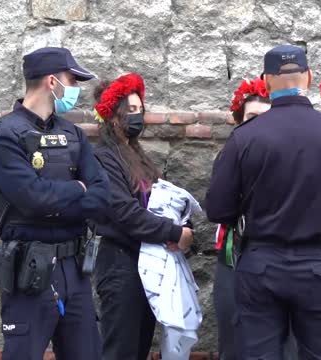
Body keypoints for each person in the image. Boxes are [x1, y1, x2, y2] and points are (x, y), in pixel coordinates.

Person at [206, 44, 321, 360]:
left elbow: (217, 209)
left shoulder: (245, 137)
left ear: (266, 83)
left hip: (261, 265)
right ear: (308, 78)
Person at [0, 47, 109, 360]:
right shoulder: (3, 135)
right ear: (52, 82)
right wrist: (78, 188)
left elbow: (102, 195)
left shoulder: (73, 135)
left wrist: (61, 196)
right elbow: (32, 199)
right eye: (72, 80)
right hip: (30, 271)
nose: (76, 88)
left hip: (75, 271)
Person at [90, 73, 194, 360]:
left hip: (146, 266)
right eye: (130, 111)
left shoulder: (136, 155)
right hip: (120, 267)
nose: (137, 116)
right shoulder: (103, 158)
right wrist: (173, 234)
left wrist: (184, 224)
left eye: (140, 110)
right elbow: (125, 212)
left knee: (139, 348)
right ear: (113, 118)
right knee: (121, 350)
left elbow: (161, 201)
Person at [213, 77, 297, 360]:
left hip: (274, 259)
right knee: (233, 341)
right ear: (239, 120)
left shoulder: (288, 158)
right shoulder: (226, 157)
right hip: (232, 257)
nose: (257, 125)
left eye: (264, 118)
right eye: (251, 118)